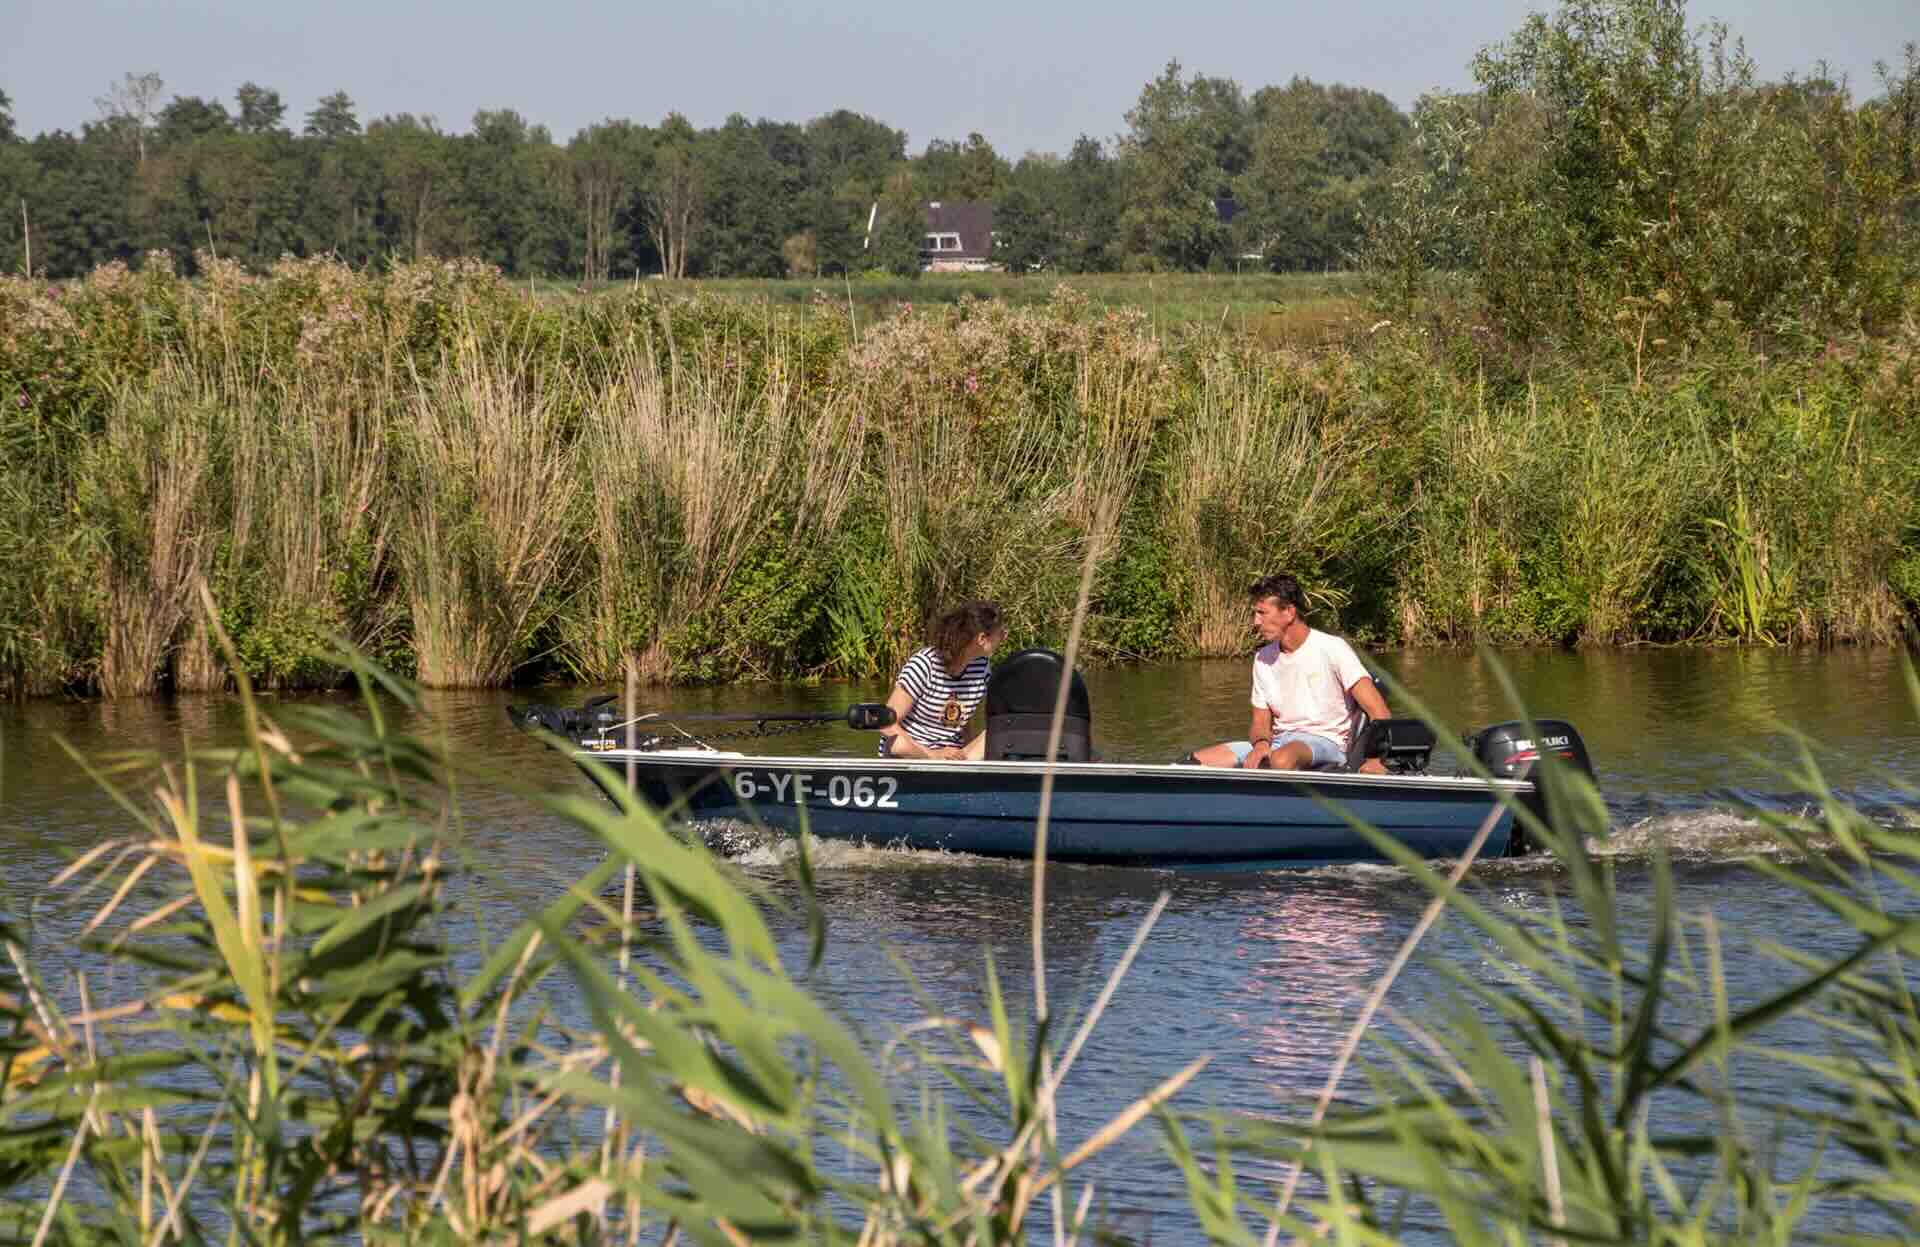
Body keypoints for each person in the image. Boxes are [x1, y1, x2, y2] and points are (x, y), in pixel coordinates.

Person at [1190, 574, 1391, 773]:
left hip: (1327, 743)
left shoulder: (1333, 649)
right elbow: (1260, 722)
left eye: (1262, 613)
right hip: (1277, 742)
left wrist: (1376, 760)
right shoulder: (1262, 659)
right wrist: (1261, 745)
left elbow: (1379, 712)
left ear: (1288, 612)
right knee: (1194, 762)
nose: (1255, 622)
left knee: (1281, 760)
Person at [878, 601, 1005, 760]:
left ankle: (965, 774)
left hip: (953, 755)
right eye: (1001, 633)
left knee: (1000, 731)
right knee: (899, 745)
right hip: (914, 752)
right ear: (982, 639)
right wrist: (932, 755)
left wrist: (968, 754)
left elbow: (965, 719)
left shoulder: (982, 667)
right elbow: (885, 723)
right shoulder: (924, 665)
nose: (1003, 638)